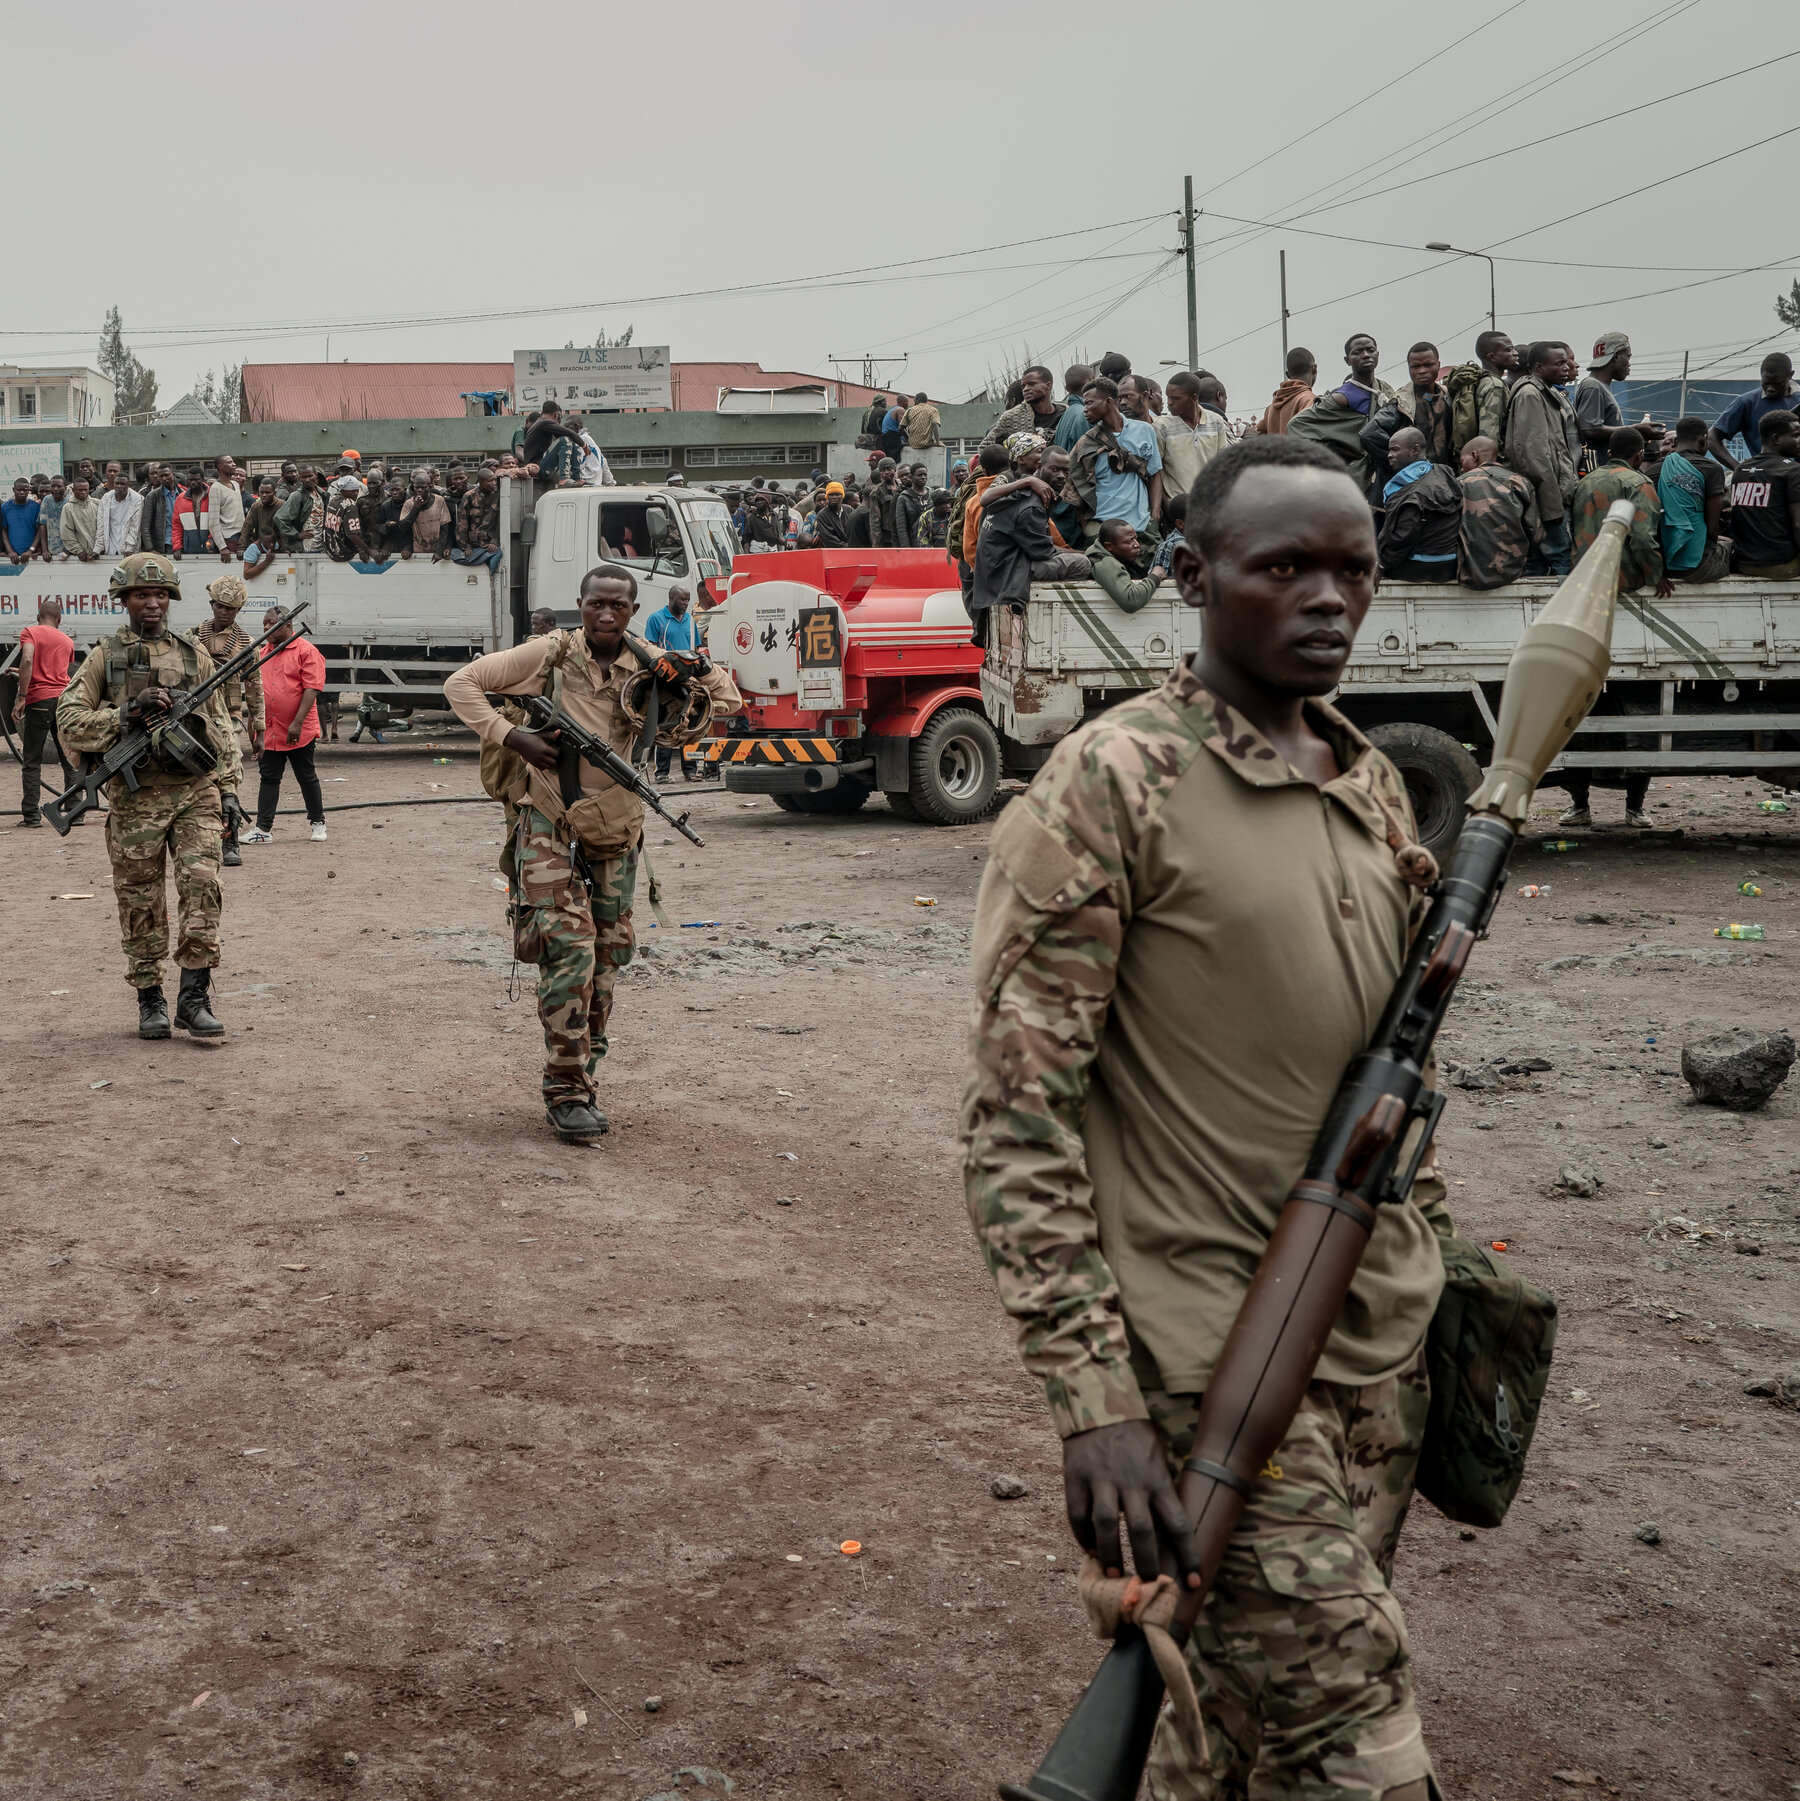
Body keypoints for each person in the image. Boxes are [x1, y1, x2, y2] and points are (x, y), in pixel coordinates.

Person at [960, 432, 1448, 1801]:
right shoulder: (1112, 783)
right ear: (1190, 575)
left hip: (1363, 1353)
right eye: (1282, 566)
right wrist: (1093, 1401)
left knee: (1220, 1742)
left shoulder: (1369, 778)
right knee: (1360, 1753)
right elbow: (1017, 1119)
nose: (1328, 599)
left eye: (1351, 569)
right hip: (1196, 1369)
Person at [443, 564, 744, 1142]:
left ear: (634, 609)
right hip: (550, 822)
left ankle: (584, 1075)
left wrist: (693, 667)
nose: (606, 615)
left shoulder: (650, 660)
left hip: (615, 829)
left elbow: (724, 700)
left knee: (606, 964)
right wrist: (518, 739)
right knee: (569, 954)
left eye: (618, 606)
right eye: (595, 605)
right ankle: (565, 1091)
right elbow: (461, 684)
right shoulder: (550, 654)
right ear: (580, 606)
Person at [57, 552, 239, 1039]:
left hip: (194, 791)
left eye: (160, 594)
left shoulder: (193, 654)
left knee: (203, 887)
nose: (153, 603)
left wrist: (230, 789)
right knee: (140, 900)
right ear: (125, 600)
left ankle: (193, 998)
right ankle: (150, 999)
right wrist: (124, 715)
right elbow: (69, 719)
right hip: (135, 800)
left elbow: (220, 724)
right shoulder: (105, 657)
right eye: (142, 595)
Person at [969, 434, 1093, 646]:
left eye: (1066, 471)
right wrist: (1082, 554)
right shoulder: (1029, 501)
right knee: (1083, 564)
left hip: (995, 567)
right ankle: (1061, 633)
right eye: (1055, 470)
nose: (1062, 476)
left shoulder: (1020, 489)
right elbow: (1043, 552)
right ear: (1040, 466)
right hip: (1007, 572)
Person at [192, 574, 265, 867]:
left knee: (230, 779)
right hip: (196, 717)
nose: (224, 611)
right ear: (212, 604)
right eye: (220, 606)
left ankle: (231, 841)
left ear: (238, 611)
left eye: (230, 608)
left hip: (230, 719)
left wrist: (258, 727)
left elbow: (255, 689)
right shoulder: (192, 637)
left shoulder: (246, 643)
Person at [241, 606, 328, 845]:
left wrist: (297, 723)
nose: (267, 628)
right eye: (264, 624)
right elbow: (255, 693)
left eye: (272, 624)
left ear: (288, 626)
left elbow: (311, 689)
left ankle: (318, 823)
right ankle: (263, 829)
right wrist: (253, 726)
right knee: (268, 777)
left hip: (298, 728)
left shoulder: (306, 651)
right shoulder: (262, 653)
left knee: (306, 775)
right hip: (270, 729)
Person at [1286, 333, 1396, 499]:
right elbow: (1296, 426)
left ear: (1377, 354)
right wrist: (1338, 451)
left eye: (1370, 350)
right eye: (1357, 352)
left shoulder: (1385, 390)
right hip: (1354, 478)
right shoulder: (1341, 397)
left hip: (1384, 474)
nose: (1365, 355)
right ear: (1347, 360)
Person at [1505, 341, 1580, 575]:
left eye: (1566, 362)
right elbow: (1533, 454)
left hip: (1551, 495)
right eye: (1558, 364)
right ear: (1538, 367)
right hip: (1547, 498)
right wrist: (1552, 503)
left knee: (1539, 561)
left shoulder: (1546, 393)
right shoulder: (1530, 395)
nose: (1566, 368)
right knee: (1560, 557)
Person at [1570, 427, 1672, 598]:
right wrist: (1655, 575)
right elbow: (1642, 539)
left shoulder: (1585, 482)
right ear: (1640, 454)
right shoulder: (1639, 484)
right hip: (1619, 578)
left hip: (1583, 574)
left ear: (1609, 453)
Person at [1069, 377, 1163, 549]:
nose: (1085, 409)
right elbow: (1076, 488)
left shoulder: (1144, 430)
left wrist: (1155, 516)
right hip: (1103, 528)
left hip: (1142, 527)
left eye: (1089, 403)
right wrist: (1088, 528)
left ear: (1108, 401)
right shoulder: (1087, 443)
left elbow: (1155, 473)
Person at [13, 599, 77, 827]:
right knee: (69, 759)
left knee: (32, 760)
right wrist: (20, 671)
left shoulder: (30, 631)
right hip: (62, 702)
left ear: (39, 617)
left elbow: (29, 659)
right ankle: (75, 813)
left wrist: (22, 697)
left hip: (39, 701)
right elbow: (56, 670)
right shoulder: (67, 640)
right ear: (58, 619)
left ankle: (31, 816)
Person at [1377, 426, 1463, 581]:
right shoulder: (1444, 472)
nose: (1389, 455)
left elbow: (1403, 537)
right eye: (1389, 450)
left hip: (1420, 567)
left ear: (1415, 449)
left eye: (1395, 450)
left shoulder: (1413, 493)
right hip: (1450, 563)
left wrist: (1383, 564)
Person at [1457, 436, 1541, 589]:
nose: (1461, 469)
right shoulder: (1520, 482)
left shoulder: (1458, 484)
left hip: (1468, 574)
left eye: (1462, 461)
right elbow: (1535, 533)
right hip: (1513, 572)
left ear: (1475, 456)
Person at [1725, 408, 1800, 577]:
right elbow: (1798, 524)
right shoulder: (1793, 471)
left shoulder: (1740, 470)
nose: (1799, 440)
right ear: (1775, 439)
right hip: (1780, 565)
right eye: (1796, 435)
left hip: (1743, 563)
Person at [1657, 416, 1731, 583]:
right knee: (1732, 546)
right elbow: (1713, 528)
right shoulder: (1711, 468)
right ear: (1704, 440)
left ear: (1676, 441)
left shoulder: (1659, 467)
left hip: (1666, 563)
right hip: (1698, 564)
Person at [1708, 353, 1800, 472]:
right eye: (1766, 383)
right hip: (1765, 478)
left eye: (1777, 384)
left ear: (1790, 375)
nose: (1770, 388)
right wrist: (1739, 469)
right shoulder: (1747, 402)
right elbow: (1712, 437)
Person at [1156, 370, 1231, 513]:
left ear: (1193, 397)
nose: (1169, 403)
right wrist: (1168, 510)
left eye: (1175, 398)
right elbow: (1156, 473)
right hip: (1178, 510)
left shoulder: (1216, 422)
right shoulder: (1161, 427)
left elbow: (1222, 467)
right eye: (1168, 397)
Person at [1574, 331, 1630, 469]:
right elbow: (1590, 429)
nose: (1629, 364)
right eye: (1628, 357)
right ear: (1616, 356)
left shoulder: (1600, 386)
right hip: (1596, 472)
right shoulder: (1593, 386)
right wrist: (1634, 430)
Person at [1088, 517, 1164, 613]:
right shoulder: (1104, 562)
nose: (1137, 545)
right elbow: (1131, 601)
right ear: (1109, 546)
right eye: (1129, 541)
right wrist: (1155, 576)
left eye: (1135, 539)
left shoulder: (1110, 553)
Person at [985, 365, 1067, 447]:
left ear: (1048, 385)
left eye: (1032, 384)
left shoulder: (1067, 415)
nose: (1025, 389)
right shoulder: (1011, 417)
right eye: (1023, 386)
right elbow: (986, 448)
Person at [1252, 346, 1318, 436]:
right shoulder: (1309, 400)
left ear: (1287, 374)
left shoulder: (1271, 408)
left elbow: (1255, 433)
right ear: (1314, 368)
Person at [454, 467, 504, 572]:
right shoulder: (469, 496)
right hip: (474, 545)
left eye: (495, 480)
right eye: (490, 481)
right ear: (481, 482)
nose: (494, 483)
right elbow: (462, 524)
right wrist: (465, 546)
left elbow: (501, 522)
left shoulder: (499, 495)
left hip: (492, 543)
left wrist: (495, 541)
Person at [399, 473, 452, 561]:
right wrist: (415, 508)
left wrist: (439, 550)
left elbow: (445, 527)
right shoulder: (408, 504)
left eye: (423, 487)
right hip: (418, 551)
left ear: (430, 486)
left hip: (437, 549)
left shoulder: (439, 500)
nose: (419, 490)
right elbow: (403, 527)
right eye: (417, 487)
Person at [97, 469, 144, 559]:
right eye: (117, 484)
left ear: (129, 485)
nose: (119, 486)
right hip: (110, 548)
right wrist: (98, 548)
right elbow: (101, 524)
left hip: (130, 551)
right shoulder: (106, 499)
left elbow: (135, 527)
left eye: (123, 484)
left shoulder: (137, 500)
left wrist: (129, 548)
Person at [209, 455, 245, 559]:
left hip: (241, 538)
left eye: (233, 462)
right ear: (220, 466)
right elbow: (213, 522)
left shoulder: (236, 484)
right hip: (228, 538)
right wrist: (222, 547)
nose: (234, 464)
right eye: (229, 462)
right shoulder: (216, 488)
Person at [58, 476, 101, 562]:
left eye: (86, 489)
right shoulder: (68, 507)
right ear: (73, 490)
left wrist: (98, 549)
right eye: (80, 490)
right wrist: (79, 550)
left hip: (99, 553)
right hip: (81, 555)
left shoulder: (97, 503)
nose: (84, 492)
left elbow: (103, 528)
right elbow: (66, 531)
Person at [139, 465, 178, 555]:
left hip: (181, 544)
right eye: (161, 476)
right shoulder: (152, 496)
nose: (164, 478)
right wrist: (150, 548)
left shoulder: (182, 494)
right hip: (162, 546)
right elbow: (145, 526)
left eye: (167, 475)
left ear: (173, 475)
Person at [1055, 365, 1096, 451]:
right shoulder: (1085, 414)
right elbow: (1088, 455)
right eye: (1094, 379)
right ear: (1089, 383)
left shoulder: (1068, 413)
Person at [3, 477, 41, 563]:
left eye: (25, 490)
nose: (22, 492)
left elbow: (40, 531)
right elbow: (3, 531)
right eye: (19, 490)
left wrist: (31, 550)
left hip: (32, 556)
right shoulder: (5, 507)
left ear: (29, 490)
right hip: (12, 556)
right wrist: (10, 551)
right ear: (13, 489)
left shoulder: (36, 507)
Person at [32, 473, 67, 561]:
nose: (55, 489)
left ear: (65, 488)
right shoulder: (47, 500)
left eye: (59, 486)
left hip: (68, 550)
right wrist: (45, 550)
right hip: (51, 550)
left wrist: (68, 551)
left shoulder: (70, 501)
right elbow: (43, 525)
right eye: (53, 486)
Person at [894, 463, 930, 548]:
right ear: (911, 477)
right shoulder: (904, 498)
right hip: (914, 544)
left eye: (925, 475)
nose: (923, 477)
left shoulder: (932, 494)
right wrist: (906, 549)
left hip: (932, 544)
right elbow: (901, 528)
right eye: (920, 475)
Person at [815, 482, 851, 547]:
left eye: (837, 494)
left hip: (851, 549)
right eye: (831, 495)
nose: (834, 497)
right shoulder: (822, 515)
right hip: (832, 551)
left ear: (842, 496)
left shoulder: (849, 510)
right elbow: (828, 537)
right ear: (827, 497)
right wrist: (846, 546)